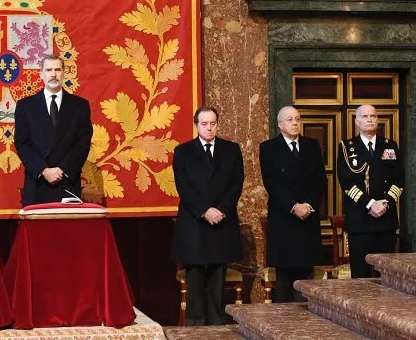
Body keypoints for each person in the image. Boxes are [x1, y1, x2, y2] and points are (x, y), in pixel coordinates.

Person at [170, 106, 244, 326]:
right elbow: (184, 186)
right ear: (196, 125)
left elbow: (236, 183)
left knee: (217, 280)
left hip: (222, 223)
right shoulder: (183, 151)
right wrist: (204, 210)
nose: (209, 128)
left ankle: (216, 325)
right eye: (204, 124)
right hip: (194, 224)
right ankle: (195, 326)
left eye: (213, 123)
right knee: (194, 280)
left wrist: (221, 209)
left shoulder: (231, 150)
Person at [259, 106, 325, 302]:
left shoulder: (311, 145)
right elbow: (271, 182)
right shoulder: (268, 148)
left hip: (308, 218)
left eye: (297, 118)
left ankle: (307, 323)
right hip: (284, 219)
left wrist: (309, 205)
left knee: (307, 279)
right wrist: (294, 206)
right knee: (284, 280)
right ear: (280, 125)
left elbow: (320, 180)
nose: (295, 123)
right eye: (290, 119)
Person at [14, 54, 93, 207]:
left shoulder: (80, 106)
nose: (53, 74)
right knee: (37, 231)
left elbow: (83, 144)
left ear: (64, 72)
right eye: (49, 70)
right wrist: (43, 170)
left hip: (67, 182)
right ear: (41, 74)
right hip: (37, 183)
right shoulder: (25, 106)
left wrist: (62, 169)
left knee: (67, 230)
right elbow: (22, 143)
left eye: (57, 69)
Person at [337, 104, 404, 278]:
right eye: (365, 116)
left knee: (387, 277)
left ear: (378, 120)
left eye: (373, 116)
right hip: (360, 222)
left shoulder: (390, 145)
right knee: (361, 276)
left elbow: (399, 180)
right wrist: (370, 204)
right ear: (357, 121)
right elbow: (346, 183)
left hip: (386, 221)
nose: (369, 119)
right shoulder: (347, 147)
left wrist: (386, 204)